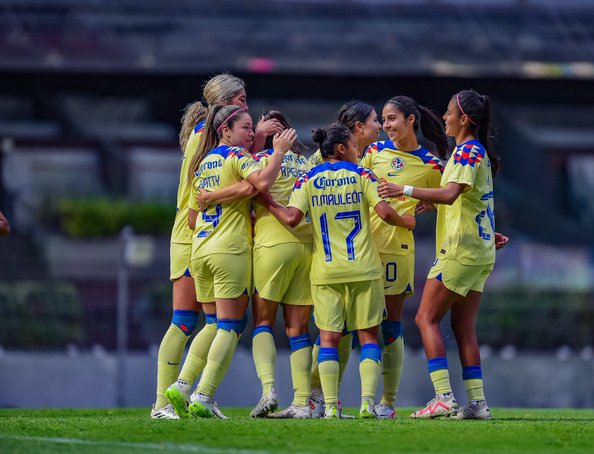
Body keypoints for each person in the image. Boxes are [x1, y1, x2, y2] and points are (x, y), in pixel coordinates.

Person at [260, 123, 415, 419]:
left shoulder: (308, 178)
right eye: (354, 147)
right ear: (342, 148)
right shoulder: (362, 175)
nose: (359, 151)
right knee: (369, 337)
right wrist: (404, 222)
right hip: (364, 270)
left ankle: (331, 406)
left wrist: (267, 201)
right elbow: (383, 212)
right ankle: (368, 404)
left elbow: (292, 218)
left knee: (329, 339)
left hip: (326, 272)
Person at [155, 73, 284, 420]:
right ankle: (168, 401)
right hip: (198, 235)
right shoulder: (210, 140)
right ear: (222, 105)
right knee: (191, 322)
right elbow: (245, 181)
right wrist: (262, 142)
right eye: (240, 100)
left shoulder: (204, 139)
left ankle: (185, 394)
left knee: (208, 322)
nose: (245, 104)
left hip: (197, 234)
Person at [378, 89, 506, 420]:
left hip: (460, 250)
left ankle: (444, 397)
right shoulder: (473, 154)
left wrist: (402, 189)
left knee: (425, 318)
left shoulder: (466, 153)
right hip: (479, 250)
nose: (445, 117)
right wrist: (487, 233)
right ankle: (477, 403)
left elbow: (451, 195)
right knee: (463, 326)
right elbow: (470, 201)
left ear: (465, 119)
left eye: (449, 112)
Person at [197, 110, 314, 419]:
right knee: (298, 329)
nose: (251, 133)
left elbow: (252, 189)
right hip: (307, 248)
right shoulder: (306, 165)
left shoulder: (258, 161)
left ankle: (269, 390)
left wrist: (209, 197)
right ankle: (302, 402)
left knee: (262, 322)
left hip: (271, 246)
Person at [360, 95, 448, 419]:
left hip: (397, 250)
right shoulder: (372, 153)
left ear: (411, 119)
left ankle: (388, 402)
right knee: (356, 324)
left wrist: (430, 203)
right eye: (383, 120)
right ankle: (334, 400)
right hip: (363, 249)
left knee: (390, 325)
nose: (386, 125)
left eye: (392, 118)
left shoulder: (430, 164)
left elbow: (448, 198)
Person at [306, 101, 382, 418]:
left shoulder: (315, 172)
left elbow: (296, 212)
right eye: (377, 120)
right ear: (356, 132)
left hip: (327, 264)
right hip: (358, 261)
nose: (380, 126)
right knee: (361, 334)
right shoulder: (359, 170)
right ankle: (314, 397)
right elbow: (383, 209)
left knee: (334, 335)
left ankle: (326, 402)